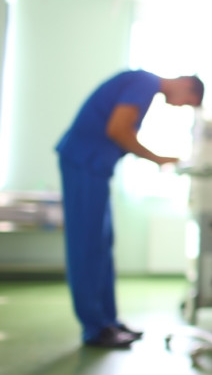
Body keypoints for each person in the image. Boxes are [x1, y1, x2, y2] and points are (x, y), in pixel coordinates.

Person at [55, 70, 204, 348]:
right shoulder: (144, 83)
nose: (178, 106)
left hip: (95, 168)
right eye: (186, 102)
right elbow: (118, 129)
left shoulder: (144, 87)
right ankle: (95, 328)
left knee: (102, 245)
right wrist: (157, 158)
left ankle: (108, 321)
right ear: (186, 85)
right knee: (87, 246)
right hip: (84, 163)